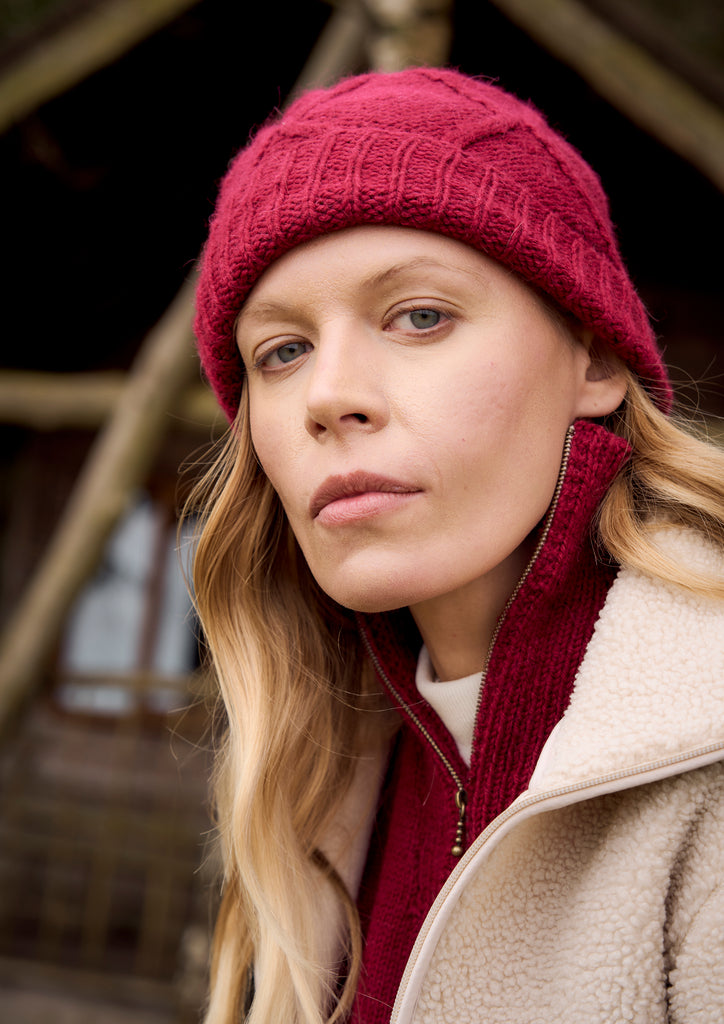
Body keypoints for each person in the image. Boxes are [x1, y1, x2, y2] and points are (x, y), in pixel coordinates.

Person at [188, 67, 724, 1024]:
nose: (327, 396)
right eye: (283, 351)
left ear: (596, 356)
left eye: (420, 316)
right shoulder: (314, 772)